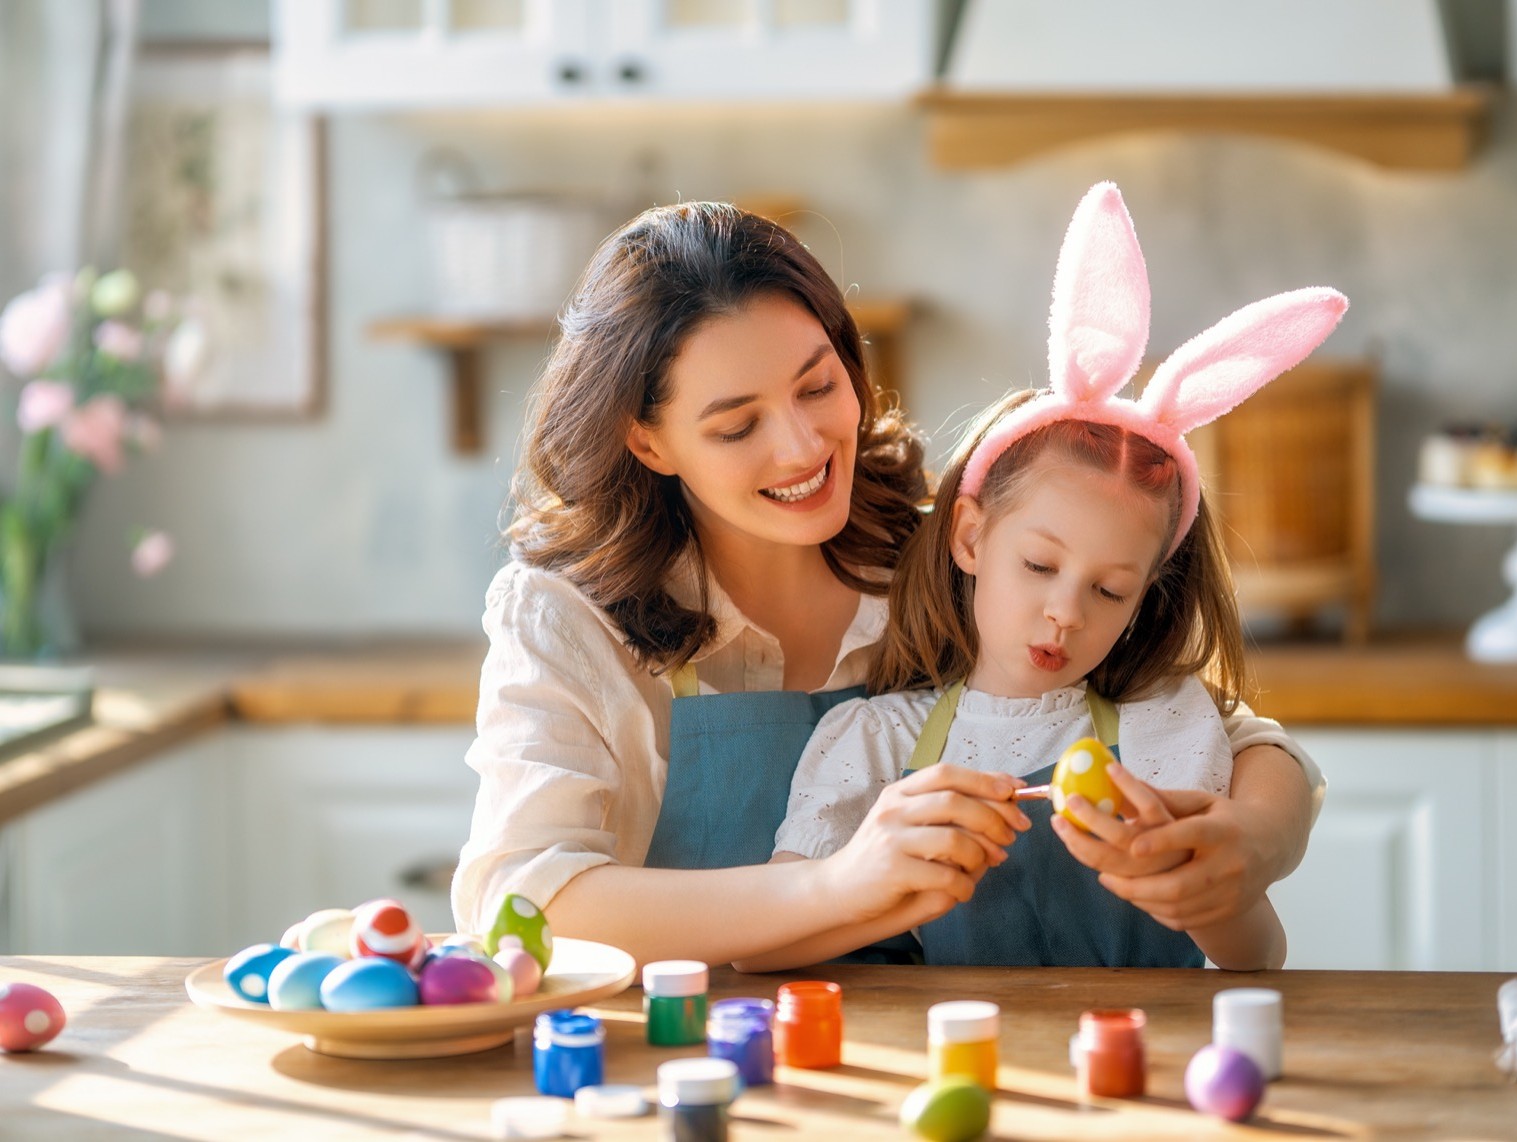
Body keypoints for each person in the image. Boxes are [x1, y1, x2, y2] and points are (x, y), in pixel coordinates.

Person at [451, 197, 1328, 968]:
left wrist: (1259, 840)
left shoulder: (935, 554)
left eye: (817, 385)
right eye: (736, 425)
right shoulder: (564, 617)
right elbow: (523, 905)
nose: (801, 447)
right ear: (648, 441)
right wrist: (836, 886)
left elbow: (1232, 731)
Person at [743, 182, 1349, 973]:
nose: (1065, 613)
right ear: (969, 537)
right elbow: (765, 953)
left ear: (1144, 602)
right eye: (1038, 566)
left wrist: (1196, 891)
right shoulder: (873, 741)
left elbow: (1259, 956)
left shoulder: (1166, 728)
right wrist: (882, 882)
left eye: (1109, 590)